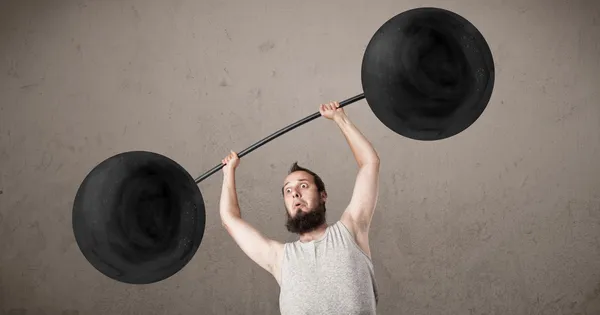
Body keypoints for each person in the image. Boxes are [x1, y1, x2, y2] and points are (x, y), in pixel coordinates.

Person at [219, 101, 380, 314]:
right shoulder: (280, 258)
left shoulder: (351, 230)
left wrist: (341, 119)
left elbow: (370, 163)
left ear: (323, 195)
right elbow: (229, 219)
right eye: (288, 190)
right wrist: (228, 172)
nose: (295, 193)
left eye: (303, 186)